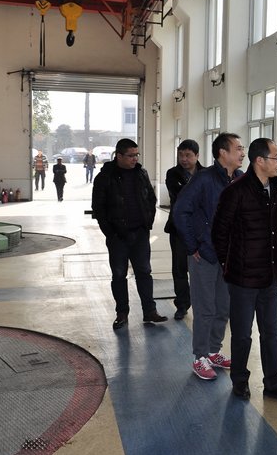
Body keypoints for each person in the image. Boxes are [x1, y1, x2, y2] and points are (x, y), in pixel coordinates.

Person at [212, 138, 277, 403]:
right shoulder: (236, 191)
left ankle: (273, 383)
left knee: (271, 333)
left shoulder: (276, 187)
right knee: (242, 335)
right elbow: (219, 233)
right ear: (259, 160)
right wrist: (230, 264)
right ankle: (240, 381)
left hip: (270, 275)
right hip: (243, 278)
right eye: (276, 158)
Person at [173, 134, 245, 380]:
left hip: (229, 256)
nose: (242, 152)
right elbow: (180, 211)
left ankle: (214, 351)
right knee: (205, 308)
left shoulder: (239, 179)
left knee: (223, 307)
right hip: (205, 254)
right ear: (223, 153)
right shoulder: (204, 178)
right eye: (238, 148)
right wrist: (193, 244)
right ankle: (200, 357)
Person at [92, 138, 167, 330]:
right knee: (119, 275)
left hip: (140, 233)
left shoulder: (141, 174)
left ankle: (150, 311)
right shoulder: (105, 177)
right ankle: (122, 314)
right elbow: (98, 208)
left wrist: (147, 223)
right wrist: (110, 232)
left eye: (136, 155)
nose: (135, 159)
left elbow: (150, 199)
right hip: (118, 236)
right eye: (131, 155)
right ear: (119, 156)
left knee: (144, 272)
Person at [164, 139, 204, 321]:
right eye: (181, 155)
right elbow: (181, 196)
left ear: (197, 155)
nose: (184, 159)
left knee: (202, 269)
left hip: (200, 229)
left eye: (188, 155)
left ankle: (204, 304)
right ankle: (182, 304)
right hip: (179, 229)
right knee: (180, 269)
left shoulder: (206, 173)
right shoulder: (172, 174)